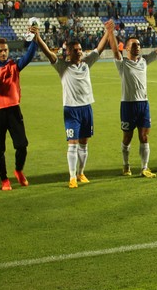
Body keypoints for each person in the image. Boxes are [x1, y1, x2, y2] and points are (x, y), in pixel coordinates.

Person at [32, 24, 109, 188]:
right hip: (71, 110)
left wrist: (109, 33)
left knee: (84, 143)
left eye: (80, 49)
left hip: (87, 108)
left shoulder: (86, 63)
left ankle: (81, 173)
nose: (79, 52)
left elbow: (99, 49)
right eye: (75, 50)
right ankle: (72, 177)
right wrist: (37, 37)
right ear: (67, 52)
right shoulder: (62, 66)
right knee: (72, 144)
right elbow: (47, 52)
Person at [108, 19, 157, 178]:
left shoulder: (144, 61)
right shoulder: (122, 63)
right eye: (134, 45)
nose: (138, 47)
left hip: (143, 104)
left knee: (144, 136)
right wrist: (110, 32)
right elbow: (115, 50)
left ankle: (144, 168)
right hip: (127, 105)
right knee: (127, 137)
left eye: (139, 45)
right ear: (127, 48)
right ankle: (126, 165)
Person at [0, 31, 38, 191]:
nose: (3, 53)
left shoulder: (14, 65)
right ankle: (4, 179)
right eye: (0, 50)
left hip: (14, 110)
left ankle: (18, 170)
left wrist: (35, 39)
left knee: (22, 145)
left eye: (5, 50)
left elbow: (29, 56)